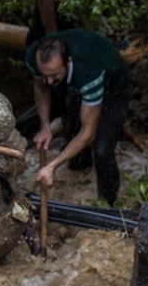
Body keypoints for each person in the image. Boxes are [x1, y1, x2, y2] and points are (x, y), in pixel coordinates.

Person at [17, 29, 131, 205]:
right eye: (45, 74)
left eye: (54, 75)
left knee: (102, 150)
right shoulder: (34, 55)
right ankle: (79, 169)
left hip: (113, 89)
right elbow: (41, 87)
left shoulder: (89, 72)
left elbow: (88, 134)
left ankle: (107, 204)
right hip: (72, 84)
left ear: (68, 62)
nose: (49, 81)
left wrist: (52, 165)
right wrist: (45, 126)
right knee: (63, 127)